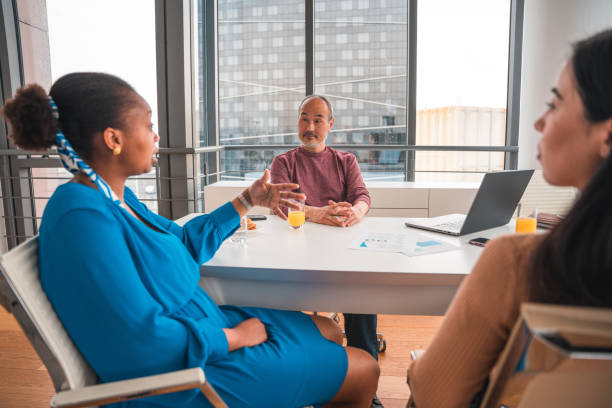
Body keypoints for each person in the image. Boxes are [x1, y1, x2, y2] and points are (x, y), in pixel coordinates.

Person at [1, 72, 380, 408]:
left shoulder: (118, 198)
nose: (156, 135)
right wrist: (233, 337)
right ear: (114, 139)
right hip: (182, 375)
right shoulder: (81, 216)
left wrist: (248, 200)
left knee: (331, 329)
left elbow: (183, 243)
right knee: (364, 368)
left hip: (199, 326)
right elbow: (142, 343)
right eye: (148, 125)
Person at [407, 28, 612, 408]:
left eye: (554, 104)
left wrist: (416, 371)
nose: (539, 123)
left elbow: (436, 394)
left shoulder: (521, 262)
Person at [270, 95, 383, 408]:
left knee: (362, 298)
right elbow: (282, 204)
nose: (310, 126)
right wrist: (318, 213)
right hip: (295, 253)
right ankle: (300, 383)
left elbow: (361, 196)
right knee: (280, 306)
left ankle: (366, 388)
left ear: (330, 125)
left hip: (341, 251)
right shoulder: (284, 163)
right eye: (304, 118)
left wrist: (355, 212)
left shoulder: (345, 161)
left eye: (318, 119)